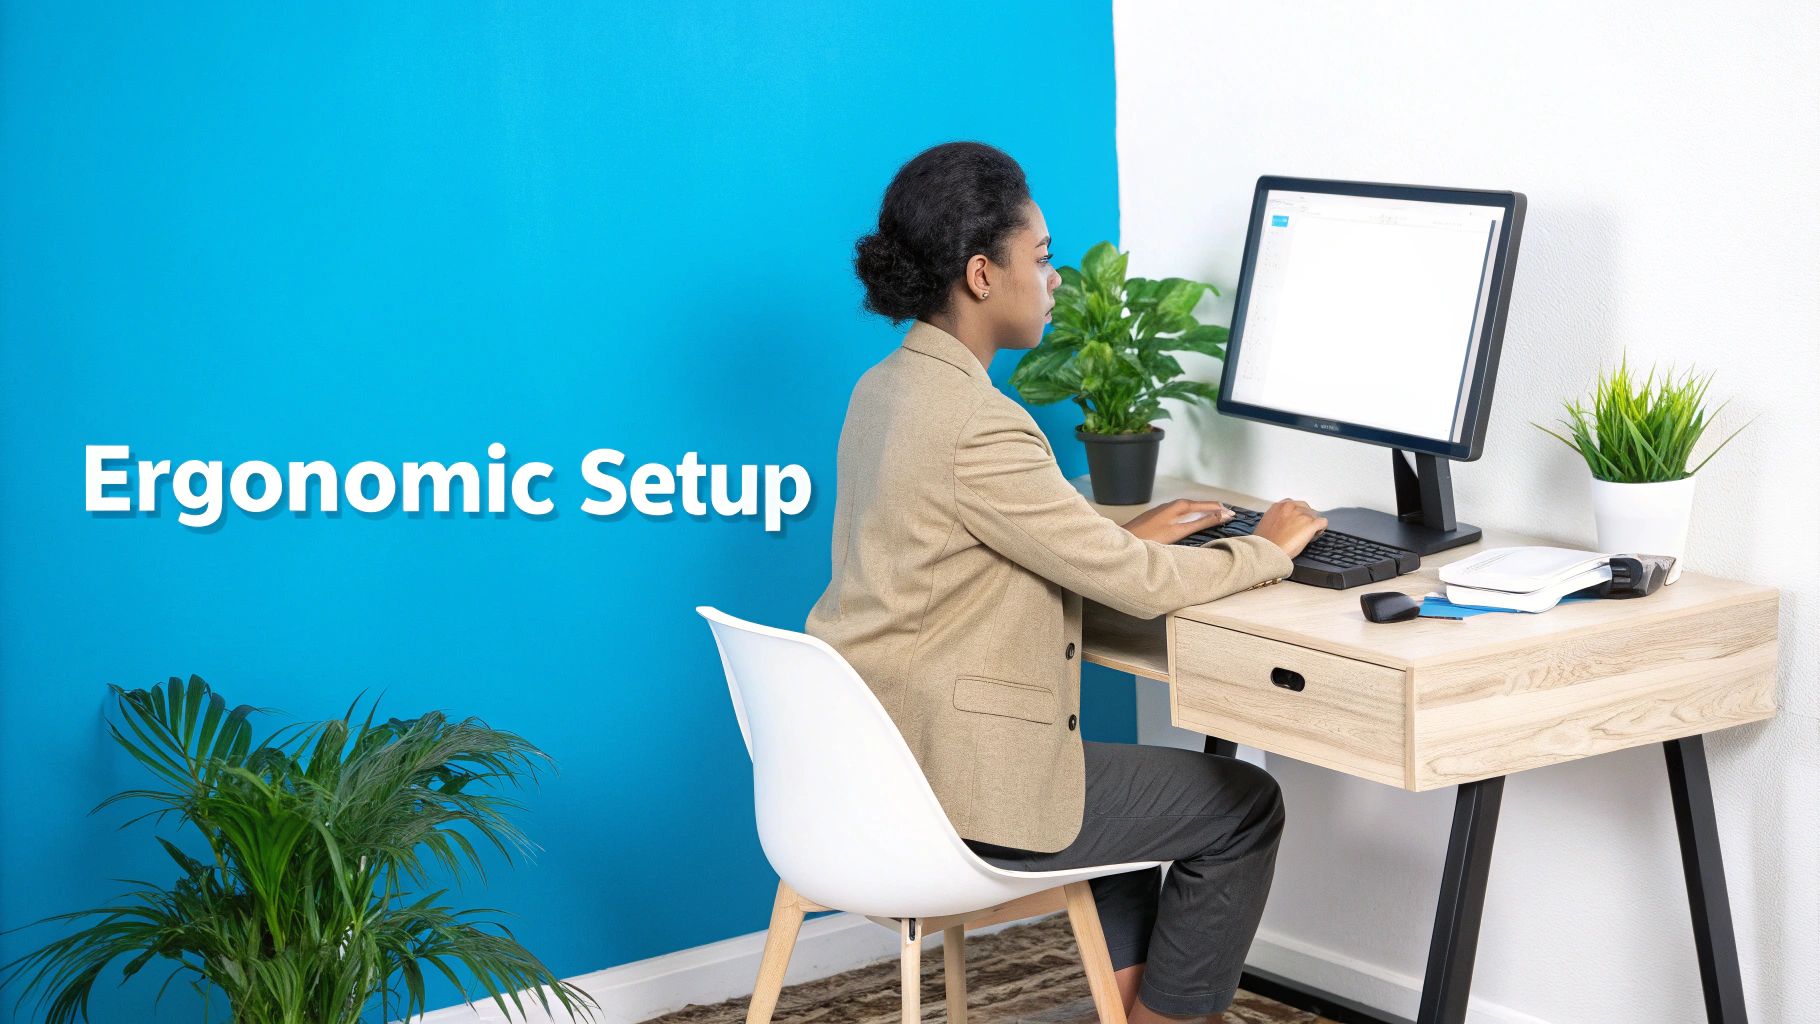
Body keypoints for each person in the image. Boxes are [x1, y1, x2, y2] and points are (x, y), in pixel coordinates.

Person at [803, 141, 1327, 1024]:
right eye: (1040, 259)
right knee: (1243, 807)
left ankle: (1122, 1009)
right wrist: (1268, 548)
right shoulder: (982, 424)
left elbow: (972, 544)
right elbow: (1143, 588)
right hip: (954, 787)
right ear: (981, 274)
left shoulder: (884, 389)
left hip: (871, 766)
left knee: (1115, 794)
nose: (1053, 279)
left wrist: (1113, 533)